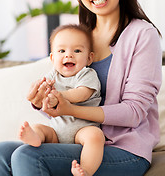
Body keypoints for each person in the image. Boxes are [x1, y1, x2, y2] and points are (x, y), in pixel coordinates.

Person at [0, 0, 162, 176]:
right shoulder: (79, 37)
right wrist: (43, 102)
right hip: (75, 139)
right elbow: (64, 97)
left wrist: (69, 107)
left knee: (27, 155)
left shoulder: (142, 34)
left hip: (124, 149)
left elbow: (134, 112)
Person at [19, 24, 104, 176]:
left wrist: (58, 96)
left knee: (95, 136)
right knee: (39, 127)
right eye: (62, 51)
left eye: (77, 51)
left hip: (82, 130)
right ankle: (34, 138)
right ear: (52, 58)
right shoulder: (52, 76)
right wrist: (42, 94)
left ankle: (85, 170)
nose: (69, 55)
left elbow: (82, 94)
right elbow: (44, 98)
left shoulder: (87, 74)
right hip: (57, 132)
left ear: (89, 58)